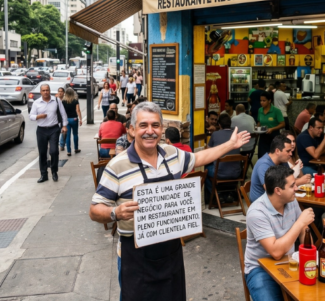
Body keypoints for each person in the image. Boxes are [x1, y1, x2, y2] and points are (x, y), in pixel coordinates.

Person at [90, 102, 250, 301]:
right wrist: (115, 213)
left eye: (155, 125)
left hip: (170, 252)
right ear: (131, 129)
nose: (150, 131)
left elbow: (200, 158)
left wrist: (230, 145)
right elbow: (95, 209)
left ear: (162, 129)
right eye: (143, 125)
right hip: (135, 256)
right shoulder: (117, 165)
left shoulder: (172, 154)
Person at [244, 164, 314, 301]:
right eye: (292, 185)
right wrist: (300, 223)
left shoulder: (291, 201)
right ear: (278, 190)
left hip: (290, 263)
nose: (297, 188)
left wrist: (309, 256)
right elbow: (275, 252)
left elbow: (303, 232)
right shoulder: (257, 212)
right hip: (260, 269)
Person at [249, 135, 310, 202]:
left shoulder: (282, 160)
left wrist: (302, 179)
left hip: (278, 199)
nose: (291, 154)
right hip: (263, 204)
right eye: (288, 151)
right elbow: (271, 189)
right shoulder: (263, 164)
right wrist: (300, 181)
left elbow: (289, 179)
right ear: (277, 151)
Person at [29, 83, 68, 183]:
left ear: (50, 91)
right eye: (43, 90)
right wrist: (38, 116)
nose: (45, 92)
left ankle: (54, 172)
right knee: (42, 153)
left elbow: (63, 114)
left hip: (54, 129)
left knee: (54, 151)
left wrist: (64, 126)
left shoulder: (56, 100)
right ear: (41, 92)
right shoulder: (36, 103)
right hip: (41, 130)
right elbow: (31, 116)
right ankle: (44, 174)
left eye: (47, 90)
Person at [256, 91, 285, 158]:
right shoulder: (260, 110)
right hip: (263, 137)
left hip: (274, 137)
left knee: (273, 157)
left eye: (264, 101)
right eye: (261, 100)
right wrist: (257, 129)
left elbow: (282, 124)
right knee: (262, 156)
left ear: (269, 100)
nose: (261, 102)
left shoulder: (276, 111)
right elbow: (259, 122)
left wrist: (272, 129)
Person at [59, 87, 82, 156]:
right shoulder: (75, 100)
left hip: (66, 120)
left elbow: (61, 112)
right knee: (75, 134)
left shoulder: (63, 101)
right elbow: (78, 110)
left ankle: (69, 151)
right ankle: (76, 148)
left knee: (68, 136)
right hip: (74, 119)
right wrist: (80, 119)